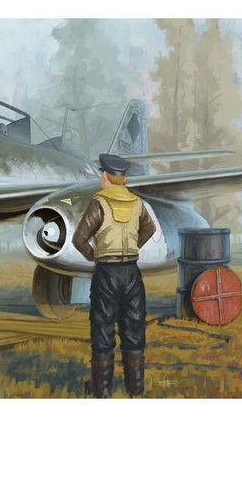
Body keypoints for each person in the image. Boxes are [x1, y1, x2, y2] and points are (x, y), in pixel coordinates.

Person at [73, 154, 156, 398]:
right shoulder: (137, 203)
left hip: (106, 274)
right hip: (132, 273)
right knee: (134, 330)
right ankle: (136, 391)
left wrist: (94, 255)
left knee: (102, 331)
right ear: (125, 179)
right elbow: (149, 228)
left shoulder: (98, 203)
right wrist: (133, 246)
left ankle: (102, 391)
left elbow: (79, 239)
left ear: (105, 177)